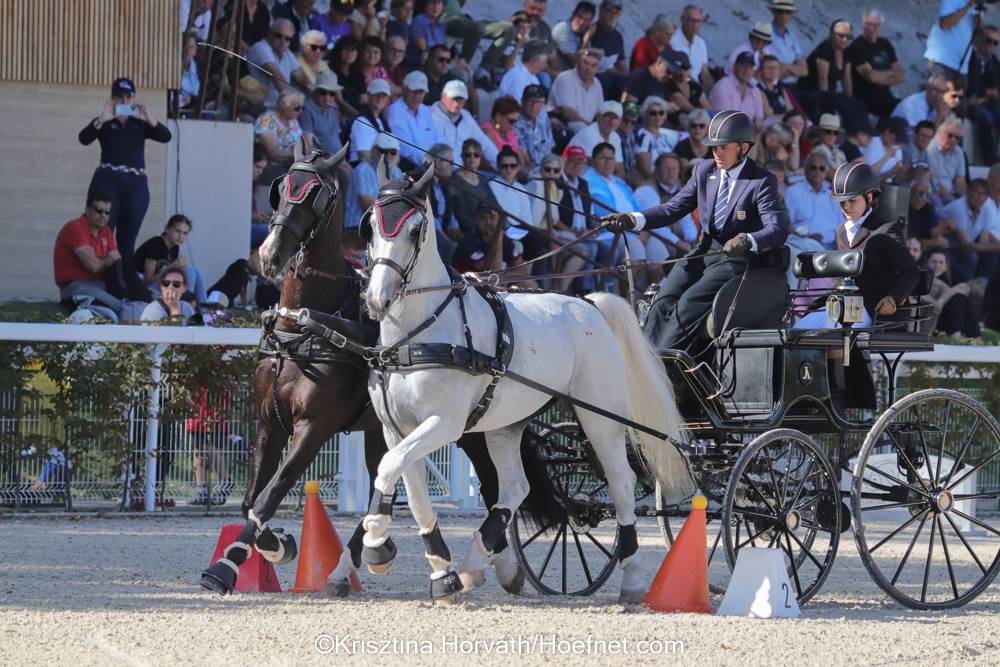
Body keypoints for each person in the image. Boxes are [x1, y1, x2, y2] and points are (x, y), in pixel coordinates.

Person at [602, 110, 787, 355]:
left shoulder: (761, 180)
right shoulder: (704, 170)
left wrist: (747, 239)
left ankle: (665, 363)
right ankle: (644, 360)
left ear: (743, 147)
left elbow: (777, 229)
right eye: (714, 147)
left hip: (737, 257)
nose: (717, 153)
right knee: (662, 298)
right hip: (705, 249)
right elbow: (673, 208)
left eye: (723, 147)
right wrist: (632, 219)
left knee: (689, 303)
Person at [78, 77, 172, 265]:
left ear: (134, 98)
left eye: (129, 97)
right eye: (120, 97)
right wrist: (102, 118)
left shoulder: (140, 122)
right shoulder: (104, 120)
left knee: (127, 238)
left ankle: (124, 278)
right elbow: (84, 138)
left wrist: (149, 118)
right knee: (103, 231)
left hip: (135, 183)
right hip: (108, 180)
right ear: (113, 99)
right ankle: (101, 277)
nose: (124, 101)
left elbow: (166, 136)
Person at [53, 192, 124, 320]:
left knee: (129, 301)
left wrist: (102, 261)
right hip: (74, 285)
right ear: (87, 210)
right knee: (118, 306)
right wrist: (107, 259)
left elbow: (117, 259)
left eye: (107, 212)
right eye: (99, 211)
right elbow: (93, 266)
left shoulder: (106, 231)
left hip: (99, 284)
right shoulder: (74, 228)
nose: (103, 215)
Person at [134, 214, 208, 305]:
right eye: (177, 231)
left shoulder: (175, 247)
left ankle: (203, 309)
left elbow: (170, 275)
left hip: (161, 284)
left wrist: (180, 269)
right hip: (143, 287)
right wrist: (172, 266)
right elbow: (147, 282)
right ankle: (186, 305)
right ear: (167, 229)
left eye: (185, 233)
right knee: (191, 272)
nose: (181, 236)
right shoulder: (155, 244)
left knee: (195, 271)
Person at [846, 9, 905, 118]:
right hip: (864, 99)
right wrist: (891, 73)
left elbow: (901, 75)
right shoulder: (856, 46)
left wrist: (881, 80)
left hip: (886, 98)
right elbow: (871, 77)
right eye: (868, 24)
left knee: (907, 108)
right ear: (862, 25)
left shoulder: (885, 44)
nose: (872, 28)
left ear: (881, 26)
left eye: (876, 25)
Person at [491, 147, 546, 261]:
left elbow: (527, 219)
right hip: (503, 229)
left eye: (513, 166)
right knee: (542, 240)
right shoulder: (492, 186)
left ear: (518, 167)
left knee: (543, 249)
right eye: (505, 166)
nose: (509, 169)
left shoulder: (521, 188)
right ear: (498, 167)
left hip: (519, 230)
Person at [940, 178, 1000, 282]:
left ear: (986, 197)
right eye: (974, 191)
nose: (977, 196)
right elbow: (965, 244)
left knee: (991, 256)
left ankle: (983, 284)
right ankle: (967, 287)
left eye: (982, 194)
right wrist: (995, 247)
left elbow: (986, 235)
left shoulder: (984, 209)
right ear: (967, 191)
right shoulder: (959, 207)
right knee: (971, 256)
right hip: (946, 248)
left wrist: (996, 245)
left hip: (961, 248)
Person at [430, 80, 499, 168]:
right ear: (443, 96)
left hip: (463, 171)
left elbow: (485, 144)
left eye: (460, 100)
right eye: (454, 99)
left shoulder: (466, 116)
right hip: (439, 170)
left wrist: (501, 163)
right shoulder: (429, 116)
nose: (456, 103)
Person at [247, 19, 310, 109]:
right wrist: (295, 103)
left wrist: (317, 96)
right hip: (261, 109)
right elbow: (277, 77)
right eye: (278, 36)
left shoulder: (286, 53)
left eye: (287, 38)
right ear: (269, 33)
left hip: (280, 108)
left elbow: (303, 79)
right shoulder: (261, 48)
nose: (283, 41)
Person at [345, 134, 403, 231]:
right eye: (383, 151)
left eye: (393, 152)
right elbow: (369, 206)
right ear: (374, 151)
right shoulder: (362, 170)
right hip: (358, 228)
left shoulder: (397, 172)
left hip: (384, 227)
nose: (388, 156)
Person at [785, 152, 843, 249]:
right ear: (806, 170)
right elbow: (787, 225)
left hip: (834, 244)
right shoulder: (793, 192)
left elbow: (842, 226)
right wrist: (807, 237)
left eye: (821, 168)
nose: (817, 171)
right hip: (805, 244)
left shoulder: (832, 195)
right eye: (813, 167)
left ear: (826, 172)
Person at [386, 70, 439, 170]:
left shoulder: (425, 110)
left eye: (421, 92)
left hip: (432, 167)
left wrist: (439, 162)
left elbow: (437, 140)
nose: (417, 96)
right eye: (414, 91)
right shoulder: (395, 111)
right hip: (410, 169)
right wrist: (430, 165)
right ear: (404, 89)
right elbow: (406, 149)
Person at [926, 248, 981, 337]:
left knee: (960, 297)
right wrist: (937, 303)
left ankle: (971, 336)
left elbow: (966, 288)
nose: (937, 265)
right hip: (929, 319)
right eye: (933, 262)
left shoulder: (946, 279)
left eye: (941, 262)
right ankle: (962, 336)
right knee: (957, 296)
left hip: (943, 316)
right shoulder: (922, 278)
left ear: (946, 266)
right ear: (927, 263)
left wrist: (940, 302)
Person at [448, 138, 499, 234]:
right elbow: (460, 213)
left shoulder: (483, 180)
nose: (472, 158)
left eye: (476, 155)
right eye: (468, 155)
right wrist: (480, 229)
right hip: (469, 231)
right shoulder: (455, 179)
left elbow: (495, 205)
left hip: (488, 228)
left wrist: (501, 224)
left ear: (480, 157)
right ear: (462, 156)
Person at [549, 47, 604, 133]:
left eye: (593, 65)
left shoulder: (597, 84)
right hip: (564, 128)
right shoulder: (565, 78)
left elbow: (600, 112)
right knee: (579, 126)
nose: (588, 68)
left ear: (598, 68)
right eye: (585, 63)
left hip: (586, 129)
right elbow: (568, 113)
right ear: (578, 62)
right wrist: (590, 128)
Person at [709, 52, 771, 129]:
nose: (747, 70)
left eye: (750, 67)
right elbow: (725, 121)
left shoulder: (755, 91)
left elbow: (759, 121)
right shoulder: (722, 86)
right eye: (743, 66)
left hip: (749, 133)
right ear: (735, 66)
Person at [967, 24, 1000, 165]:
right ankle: (991, 161)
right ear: (980, 39)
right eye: (988, 40)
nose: (991, 45)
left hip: (989, 103)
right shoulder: (969, 58)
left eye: (995, 43)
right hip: (971, 103)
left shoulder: (994, 62)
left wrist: (993, 93)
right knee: (985, 118)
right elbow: (968, 86)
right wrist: (986, 93)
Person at [924, 0, 981, 80]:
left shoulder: (977, 5)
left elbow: (976, 41)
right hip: (942, 60)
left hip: (962, 67)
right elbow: (944, 24)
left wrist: (979, 25)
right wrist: (967, 7)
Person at [632, 96, 681, 184]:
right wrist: (661, 184)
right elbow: (644, 169)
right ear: (645, 115)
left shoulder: (665, 137)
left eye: (661, 113)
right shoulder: (643, 136)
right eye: (653, 113)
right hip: (653, 182)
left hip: (668, 179)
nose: (657, 116)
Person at [568, 100, 623, 174]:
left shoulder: (616, 137)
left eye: (615, 117)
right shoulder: (588, 133)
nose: (611, 121)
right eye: (607, 116)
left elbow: (619, 167)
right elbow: (596, 164)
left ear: (620, 121)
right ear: (598, 117)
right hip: (577, 175)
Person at [254, 88, 305, 167]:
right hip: (271, 167)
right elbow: (273, 153)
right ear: (283, 104)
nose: (300, 111)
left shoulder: (293, 122)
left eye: (302, 108)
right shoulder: (267, 120)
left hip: (292, 166)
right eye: (297, 108)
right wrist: (298, 155)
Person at [589, 0, 629, 100]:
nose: (613, 16)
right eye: (609, 12)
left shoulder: (618, 36)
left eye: (616, 13)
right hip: (594, 74)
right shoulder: (591, 30)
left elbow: (623, 68)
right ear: (600, 12)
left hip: (612, 77)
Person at [299, 71, 345, 154]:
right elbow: (309, 147)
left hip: (339, 156)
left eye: (332, 93)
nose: (327, 97)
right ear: (316, 91)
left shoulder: (333, 106)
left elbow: (335, 137)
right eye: (323, 92)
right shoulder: (307, 109)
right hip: (322, 158)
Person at [348, 78, 391, 163]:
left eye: (384, 95)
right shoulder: (361, 121)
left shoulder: (382, 122)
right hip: (363, 167)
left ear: (387, 99)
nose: (380, 98)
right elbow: (364, 156)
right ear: (368, 95)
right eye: (377, 94)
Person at [670, 4, 713, 89]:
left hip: (696, 89)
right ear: (682, 20)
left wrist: (717, 90)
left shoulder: (701, 43)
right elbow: (677, 74)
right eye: (691, 20)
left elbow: (705, 74)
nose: (695, 25)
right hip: (677, 87)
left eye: (698, 21)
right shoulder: (672, 41)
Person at [514, 84, 556, 173]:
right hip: (530, 171)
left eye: (537, 102)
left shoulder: (543, 121)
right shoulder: (516, 123)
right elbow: (525, 159)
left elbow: (549, 150)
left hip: (548, 169)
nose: (533, 106)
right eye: (530, 101)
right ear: (522, 102)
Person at [927, 116, 968, 203]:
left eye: (957, 138)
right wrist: (950, 200)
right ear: (940, 132)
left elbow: (960, 179)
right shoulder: (931, 149)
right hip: (932, 194)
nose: (953, 140)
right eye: (950, 135)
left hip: (950, 195)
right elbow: (934, 181)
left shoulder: (958, 152)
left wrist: (963, 201)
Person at [767, 0, 808, 82]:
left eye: (787, 12)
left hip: (792, 86)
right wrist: (794, 69)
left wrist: (784, 68)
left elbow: (804, 70)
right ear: (774, 12)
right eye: (780, 11)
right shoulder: (766, 34)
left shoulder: (792, 37)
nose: (783, 15)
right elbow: (768, 66)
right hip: (772, 85)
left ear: (792, 14)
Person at [551, 1, 597, 69]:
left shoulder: (584, 32)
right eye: (579, 17)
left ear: (590, 22)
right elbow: (574, 62)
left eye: (586, 20)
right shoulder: (563, 28)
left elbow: (587, 55)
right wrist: (586, 40)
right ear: (573, 14)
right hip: (558, 70)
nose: (581, 22)